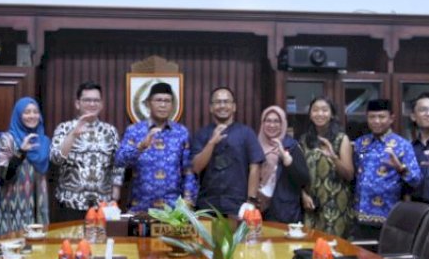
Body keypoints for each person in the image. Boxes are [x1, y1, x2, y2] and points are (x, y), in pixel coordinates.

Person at [115, 83, 197, 213]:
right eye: (158, 100)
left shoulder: (181, 132)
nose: (163, 105)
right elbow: (119, 161)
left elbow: (188, 171)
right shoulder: (134, 131)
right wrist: (140, 147)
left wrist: (188, 202)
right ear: (148, 103)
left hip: (173, 210)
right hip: (140, 208)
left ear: (172, 105)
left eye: (167, 101)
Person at [50, 82, 124, 221]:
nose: (92, 104)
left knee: (100, 242)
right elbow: (55, 159)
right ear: (77, 103)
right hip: (70, 203)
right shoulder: (64, 128)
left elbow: (118, 163)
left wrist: (116, 189)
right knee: (71, 243)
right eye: (87, 100)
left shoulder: (110, 131)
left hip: (102, 203)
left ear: (101, 104)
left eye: (96, 100)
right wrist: (73, 135)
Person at [352, 99, 422, 240]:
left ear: (391, 118)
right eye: (372, 117)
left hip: (387, 218)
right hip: (359, 216)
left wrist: (400, 168)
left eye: (381, 117)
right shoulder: (361, 143)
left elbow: (416, 180)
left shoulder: (402, 145)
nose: (377, 121)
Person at [191, 87, 264, 217]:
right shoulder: (202, 134)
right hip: (207, 205)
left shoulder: (246, 133)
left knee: (238, 238)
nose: (222, 105)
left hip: (238, 205)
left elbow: (255, 167)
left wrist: (251, 201)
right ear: (211, 108)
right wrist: (211, 142)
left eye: (226, 102)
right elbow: (196, 168)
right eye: (218, 102)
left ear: (234, 106)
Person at [0, 97, 51, 238]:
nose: (32, 116)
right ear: (18, 115)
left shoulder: (44, 141)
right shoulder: (8, 139)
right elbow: (3, 174)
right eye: (26, 112)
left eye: (35, 112)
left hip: (38, 203)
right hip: (14, 205)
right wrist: (21, 152)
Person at [299, 97, 355, 237]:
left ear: (332, 114)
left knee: (332, 249)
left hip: (335, 204)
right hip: (311, 205)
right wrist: (303, 195)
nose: (320, 114)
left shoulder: (341, 139)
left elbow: (349, 175)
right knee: (309, 246)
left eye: (324, 110)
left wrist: (333, 157)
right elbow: (298, 174)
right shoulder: (304, 140)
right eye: (315, 110)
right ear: (310, 115)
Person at [256, 106, 310, 224]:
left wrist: (286, 159)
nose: (272, 125)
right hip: (257, 209)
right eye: (268, 120)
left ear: (283, 124)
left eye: (276, 121)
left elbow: (304, 179)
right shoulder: (255, 145)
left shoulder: (292, 146)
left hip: (284, 211)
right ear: (262, 123)